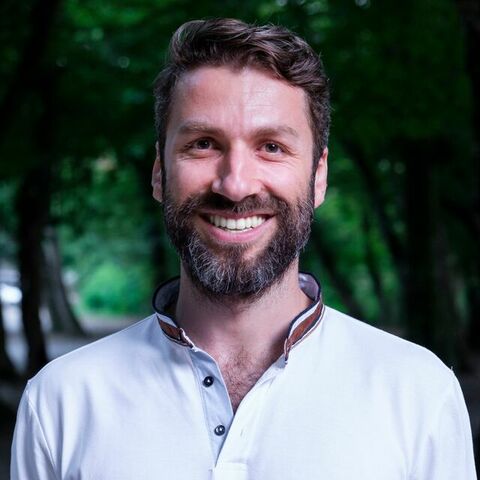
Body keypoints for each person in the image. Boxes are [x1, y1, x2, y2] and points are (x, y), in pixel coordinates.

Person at [11, 18, 476, 480]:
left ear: (318, 176)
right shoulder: (60, 402)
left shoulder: (420, 394)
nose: (235, 185)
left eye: (271, 146)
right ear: (159, 172)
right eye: (203, 144)